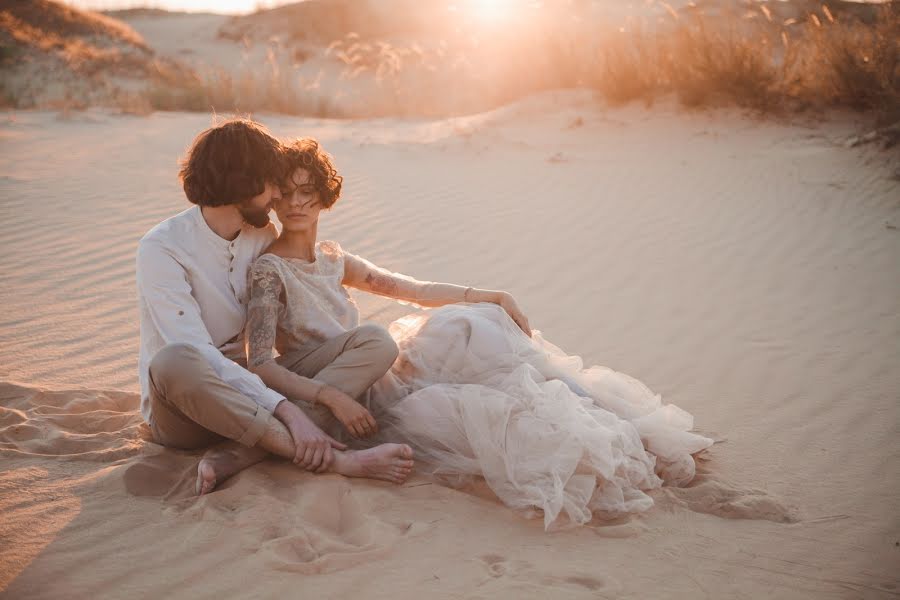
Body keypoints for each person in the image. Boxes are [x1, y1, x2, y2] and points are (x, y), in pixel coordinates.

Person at [245, 138, 714, 528]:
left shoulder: (332, 258)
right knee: (477, 409)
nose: (298, 203)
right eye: (286, 194)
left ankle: (619, 426)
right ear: (274, 201)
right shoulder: (269, 270)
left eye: (308, 191)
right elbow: (260, 361)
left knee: (472, 324)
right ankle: (590, 449)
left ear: (324, 195)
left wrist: (488, 294)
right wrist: (331, 398)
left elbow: (411, 288)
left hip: (379, 373)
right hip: (336, 392)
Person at [136, 119, 414, 496]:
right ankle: (337, 461)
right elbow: (199, 355)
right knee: (174, 360)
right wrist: (287, 409)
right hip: (189, 406)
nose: (278, 196)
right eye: (272, 182)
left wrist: (311, 394)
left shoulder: (260, 235)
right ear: (243, 180)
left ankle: (244, 452)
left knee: (375, 341)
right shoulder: (162, 248)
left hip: (251, 389)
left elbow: (264, 355)